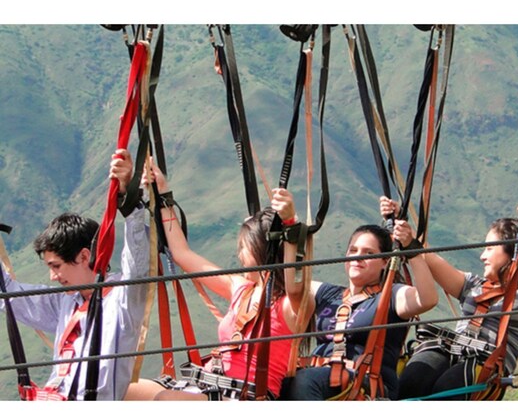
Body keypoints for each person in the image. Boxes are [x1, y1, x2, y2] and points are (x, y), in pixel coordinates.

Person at [124, 160, 308, 401]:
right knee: (124, 388)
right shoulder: (241, 289)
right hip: (209, 386)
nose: (239, 254)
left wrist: (291, 225)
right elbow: (183, 254)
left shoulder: (289, 305)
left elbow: (295, 282)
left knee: (165, 402)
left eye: (244, 247)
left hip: (246, 396)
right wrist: (163, 194)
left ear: (262, 249)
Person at [0, 149, 150, 401]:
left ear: (83, 256)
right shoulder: (64, 301)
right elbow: (8, 295)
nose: (52, 277)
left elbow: (138, 259)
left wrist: (128, 196)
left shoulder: (123, 299)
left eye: (56, 266)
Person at [380, 197, 518, 401]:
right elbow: (425, 255)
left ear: (513, 252)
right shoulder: (473, 285)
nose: (482, 256)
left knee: (449, 387)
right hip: (449, 349)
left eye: (490, 248)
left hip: (486, 364)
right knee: (413, 378)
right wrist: (401, 224)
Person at [279, 193, 439, 401]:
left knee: (304, 381)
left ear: (384, 261)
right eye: (353, 250)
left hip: (365, 382)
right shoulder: (328, 293)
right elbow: (292, 282)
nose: (358, 257)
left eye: (368, 252)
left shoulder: (390, 295)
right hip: (320, 374)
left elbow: (427, 299)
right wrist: (288, 226)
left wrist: (410, 248)